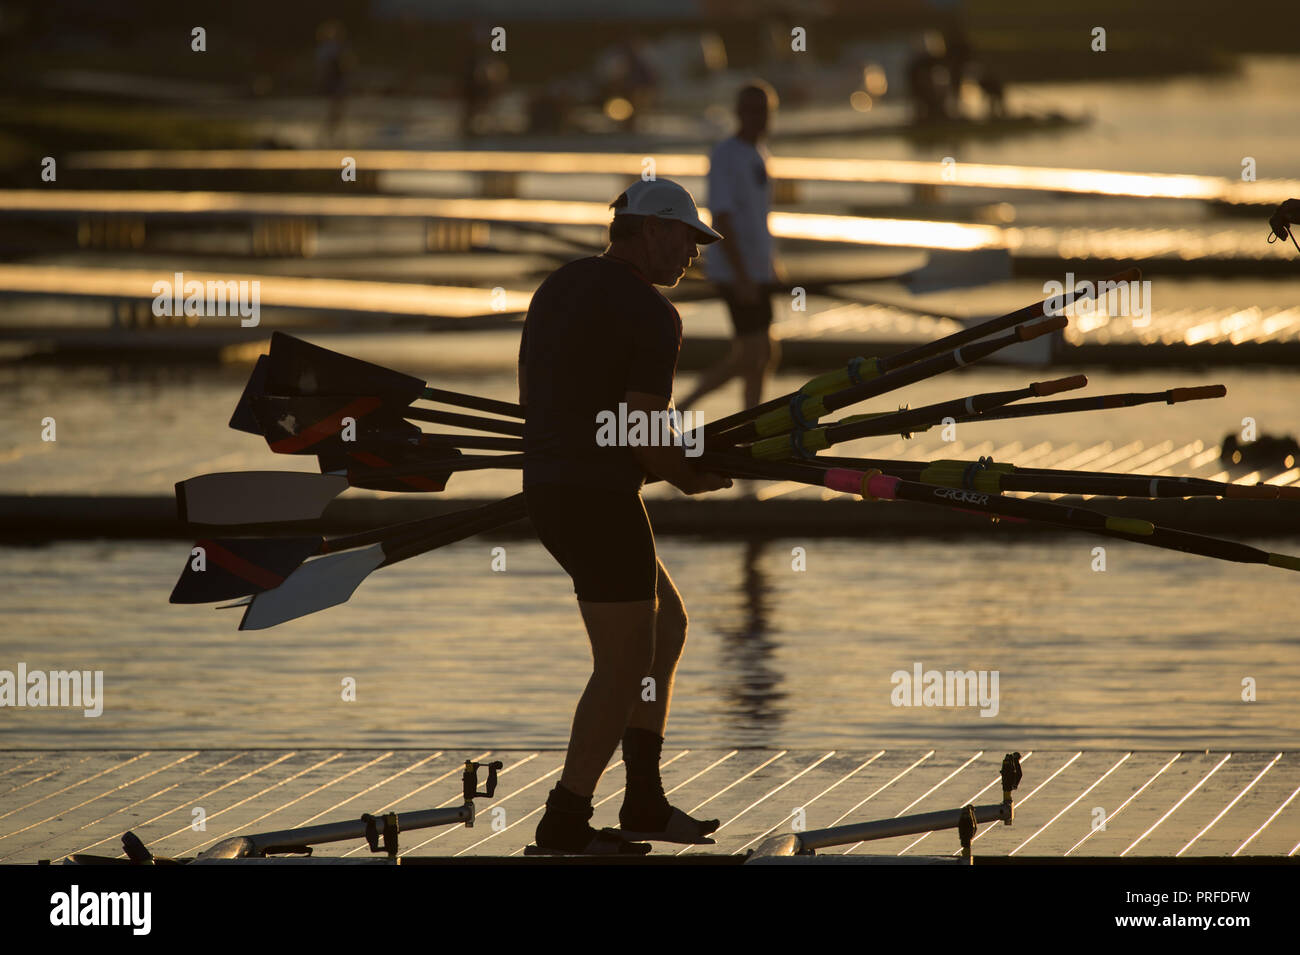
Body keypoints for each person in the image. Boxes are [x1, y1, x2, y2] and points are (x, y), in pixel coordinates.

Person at [517, 178, 733, 855]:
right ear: (647, 230)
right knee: (623, 663)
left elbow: (573, 400)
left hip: (549, 488)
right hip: (597, 499)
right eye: (687, 238)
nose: (693, 254)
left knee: (666, 625)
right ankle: (565, 820)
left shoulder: (559, 285)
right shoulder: (653, 315)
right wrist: (690, 475)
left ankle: (643, 799)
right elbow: (640, 430)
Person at [679, 82, 782, 415]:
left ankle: (750, 424)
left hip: (756, 268)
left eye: (763, 111)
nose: (758, 118)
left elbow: (758, 219)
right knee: (753, 354)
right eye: (751, 111)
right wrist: (742, 275)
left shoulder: (759, 153)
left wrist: (771, 266)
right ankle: (680, 409)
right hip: (734, 270)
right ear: (739, 114)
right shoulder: (725, 154)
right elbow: (721, 218)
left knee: (763, 354)